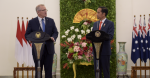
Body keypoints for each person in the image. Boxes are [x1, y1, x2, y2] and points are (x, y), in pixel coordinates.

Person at [25, 4, 58, 78]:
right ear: (38, 12)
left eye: (46, 10)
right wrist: (29, 40)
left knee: (49, 71)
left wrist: (53, 37)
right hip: (37, 50)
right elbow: (27, 34)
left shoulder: (51, 21)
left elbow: (55, 32)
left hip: (49, 49)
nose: (46, 11)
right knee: (38, 70)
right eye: (44, 10)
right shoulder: (32, 22)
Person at [92, 6, 114, 78]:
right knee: (97, 71)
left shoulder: (110, 23)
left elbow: (110, 36)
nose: (97, 14)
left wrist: (101, 37)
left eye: (98, 12)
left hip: (104, 51)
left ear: (103, 14)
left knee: (105, 71)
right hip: (96, 51)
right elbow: (92, 35)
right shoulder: (95, 24)